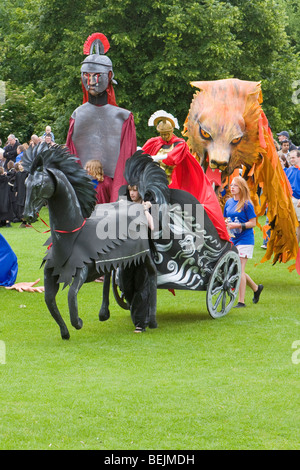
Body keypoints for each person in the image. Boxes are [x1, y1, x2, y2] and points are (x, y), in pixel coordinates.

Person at [66, 32, 137, 202]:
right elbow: (71, 158)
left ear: (109, 76)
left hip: (113, 192)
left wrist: (117, 198)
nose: (90, 81)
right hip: (84, 192)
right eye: (86, 76)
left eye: (96, 76)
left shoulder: (124, 118)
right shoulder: (77, 115)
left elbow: (126, 161)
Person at [142, 110, 230, 242]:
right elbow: (142, 155)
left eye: (167, 134)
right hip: (155, 182)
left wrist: (156, 157)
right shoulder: (154, 142)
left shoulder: (179, 144)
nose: (165, 137)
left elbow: (172, 159)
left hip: (174, 182)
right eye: (162, 134)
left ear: (172, 131)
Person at [118, 183, 154, 333]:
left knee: (141, 285)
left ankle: (140, 323)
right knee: (126, 285)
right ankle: (138, 313)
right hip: (127, 251)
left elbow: (152, 226)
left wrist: (144, 209)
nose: (132, 193)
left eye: (135, 190)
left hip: (142, 251)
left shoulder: (147, 205)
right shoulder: (124, 204)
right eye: (130, 190)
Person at [224, 176, 264, 308]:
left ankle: (241, 301)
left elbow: (253, 223)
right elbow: (226, 219)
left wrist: (238, 225)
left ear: (241, 188)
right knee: (237, 269)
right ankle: (256, 288)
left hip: (245, 240)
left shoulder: (247, 204)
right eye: (231, 185)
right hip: (233, 239)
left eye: (235, 185)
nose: (232, 187)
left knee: (239, 270)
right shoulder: (229, 202)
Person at [283, 149, 300, 243]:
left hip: (298, 200)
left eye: (293, 157)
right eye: (290, 158)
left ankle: (296, 245)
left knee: (298, 224)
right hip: (289, 200)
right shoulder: (289, 170)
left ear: (299, 157)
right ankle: (292, 246)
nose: (291, 159)